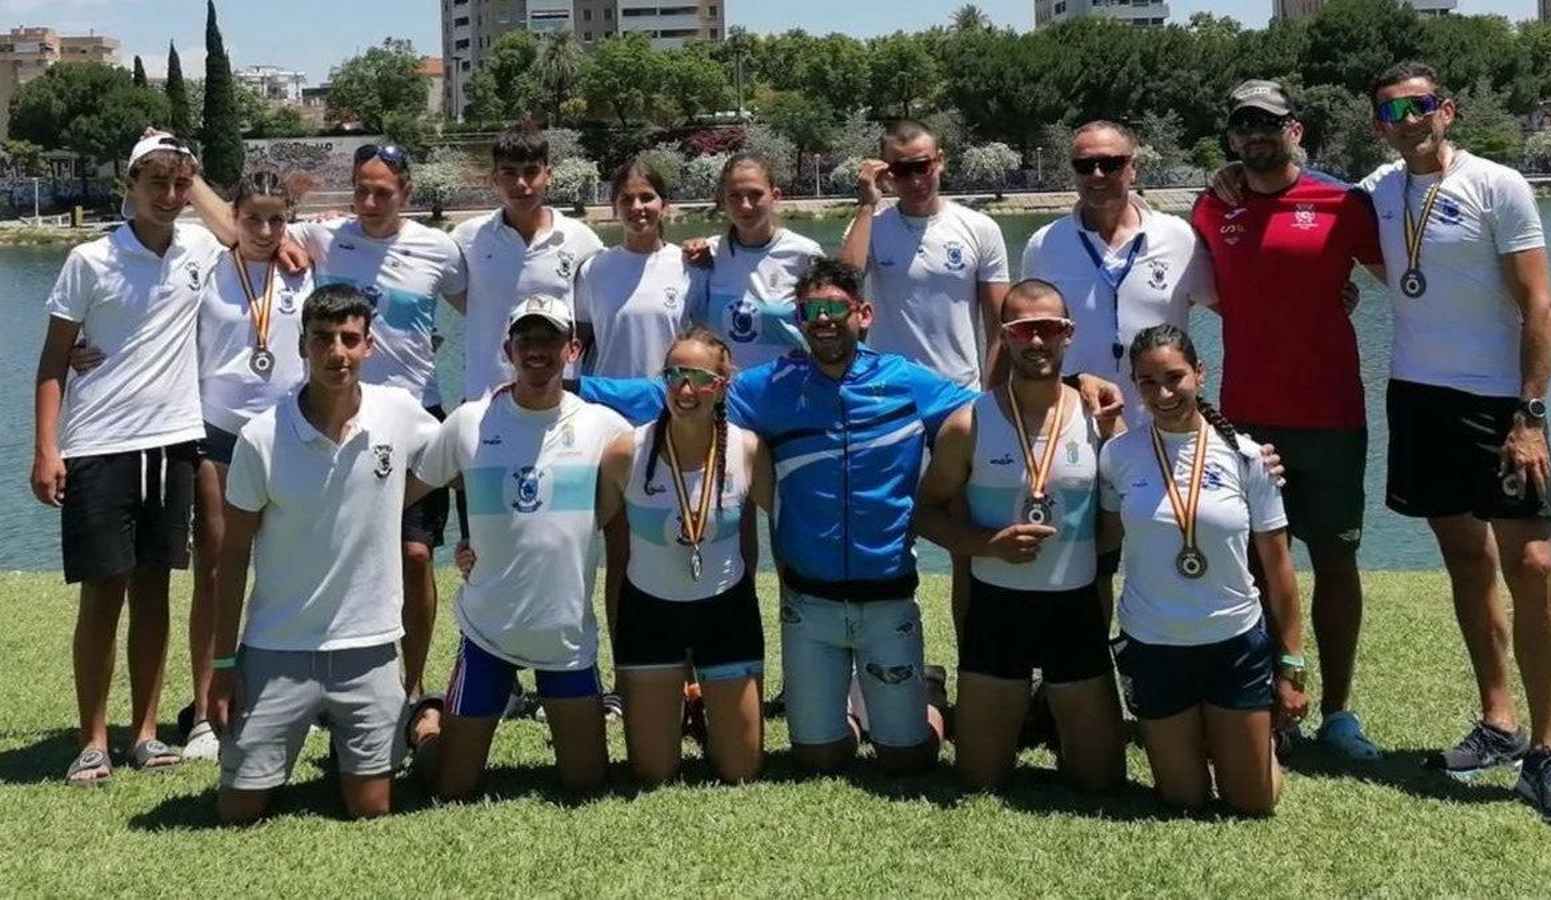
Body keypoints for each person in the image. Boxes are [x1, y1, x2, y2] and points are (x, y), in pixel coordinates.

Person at [576, 258, 1124, 776]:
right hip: (809, 600)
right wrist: (567, 383)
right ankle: (858, 714)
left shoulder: (906, 382)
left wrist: (1077, 382)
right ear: (798, 321)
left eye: (836, 308)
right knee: (818, 758)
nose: (824, 321)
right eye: (811, 311)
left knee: (907, 764)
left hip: (889, 596)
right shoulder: (767, 388)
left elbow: (999, 403)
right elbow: (668, 390)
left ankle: (927, 696)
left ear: (863, 314)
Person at [1363, 62, 1551, 828]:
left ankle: (1547, 752)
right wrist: (1232, 176)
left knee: (1534, 564)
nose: (1407, 120)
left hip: (1501, 405)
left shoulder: (1498, 185)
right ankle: (1499, 721)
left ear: (1447, 111)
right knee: (1465, 557)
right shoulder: (1379, 190)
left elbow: (1542, 305)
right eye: (1390, 111)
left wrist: (1531, 413)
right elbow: (1311, 198)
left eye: (1419, 106)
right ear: (1378, 125)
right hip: (1419, 397)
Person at [1190, 80, 1387, 761]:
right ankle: (1269, 705)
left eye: (1269, 123)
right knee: (1252, 564)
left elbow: (1403, 281)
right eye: (1243, 125)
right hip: (1246, 421)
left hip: (1332, 415)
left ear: (1294, 129)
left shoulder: (1343, 202)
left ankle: (1338, 713)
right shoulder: (1213, 206)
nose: (1255, 135)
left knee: (1335, 560)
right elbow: (1210, 289)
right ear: (1231, 137)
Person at [33, 135, 226, 784]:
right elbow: (52, 362)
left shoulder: (199, 249)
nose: (169, 197)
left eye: (179, 186)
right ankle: (92, 740)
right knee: (103, 593)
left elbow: (235, 230)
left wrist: (189, 166)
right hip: (97, 446)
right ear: (130, 186)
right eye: (156, 184)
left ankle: (144, 734)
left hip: (173, 443)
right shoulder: (89, 260)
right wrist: (47, 450)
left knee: (153, 591)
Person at [207, 284, 440, 824]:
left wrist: (396, 497)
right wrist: (222, 666)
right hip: (277, 650)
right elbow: (233, 555)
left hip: (369, 648)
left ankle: (421, 722)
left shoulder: (399, 413)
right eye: (323, 338)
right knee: (238, 811)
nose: (337, 352)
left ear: (369, 346)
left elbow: (455, 458)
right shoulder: (261, 437)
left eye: (350, 339)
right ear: (302, 346)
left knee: (370, 809)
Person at [409, 295, 630, 798]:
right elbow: (408, 491)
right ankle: (425, 724)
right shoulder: (469, 421)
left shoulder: (604, 427)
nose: (537, 350)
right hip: (487, 632)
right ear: (507, 350)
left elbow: (642, 493)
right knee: (451, 787)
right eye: (525, 339)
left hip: (565, 638)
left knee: (586, 784)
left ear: (572, 349)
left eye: (550, 339)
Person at [916, 280, 1123, 792]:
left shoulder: (1100, 420)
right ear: (1004, 336)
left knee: (1100, 783)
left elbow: (1137, 502)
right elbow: (923, 513)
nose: (1036, 341)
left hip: (1075, 610)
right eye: (1023, 329)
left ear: (1068, 333)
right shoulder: (969, 424)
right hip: (997, 610)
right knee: (980, 779)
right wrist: (987, 545)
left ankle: (1055, 712)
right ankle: (934, 693)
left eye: (1048, 329)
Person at [282, 143, 467, 709]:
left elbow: (483, 307)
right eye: (361, 189)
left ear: (405, 193)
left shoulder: (440, 249)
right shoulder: (326, 236)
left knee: (415, 556)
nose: (368, 201)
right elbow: (244, 231)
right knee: (337, 555)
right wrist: (192, 177)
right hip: (338, 418)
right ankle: (332, 684)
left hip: (417, 420)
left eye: (382, 192)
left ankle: (411, 687)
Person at [1099, 324, 1307, 817]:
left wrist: (1292, 665)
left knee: (1253, 803)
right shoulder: (1118, 455)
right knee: (1183, 799)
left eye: (1175, 378)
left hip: (1233, 643)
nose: (1163, 394)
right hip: (1154, 645)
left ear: (1199, 372)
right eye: (1148, 383)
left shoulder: (1248, 457)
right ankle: (1221, 736)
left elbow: (1279, 569)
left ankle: (1253, 740)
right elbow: (1105, 540)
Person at [173, 172, 314, 762]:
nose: (264, 230)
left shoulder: (304, 265)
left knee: (292, 567)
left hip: (288, 435)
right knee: (215, 567)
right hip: (219, 433)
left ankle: (294, 696)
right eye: (252, 218)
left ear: (289, 220)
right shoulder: (208, 262)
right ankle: (205, 712)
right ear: (232, 217)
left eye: (276, 219)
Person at [598, 327, 767, 785]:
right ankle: (690, 698)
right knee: (654, 773)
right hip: (649, 615)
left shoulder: (748, 450)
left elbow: (793, 524)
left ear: (722, 386)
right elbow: (575, 530)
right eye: (674, 375)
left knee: (740, 770)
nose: (684, 389)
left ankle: (705, 706)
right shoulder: (626, 453)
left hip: (727, 613)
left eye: (699, 378)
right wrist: (481, 550)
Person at [1020, 121, 1215, 425]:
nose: (1097, 174)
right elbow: (1023, 337)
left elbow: (1235, 316)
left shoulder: (1179, 238)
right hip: (1075, 423)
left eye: (1110, 164)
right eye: (1084, 165)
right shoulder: (1044, 244)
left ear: (1133, 167)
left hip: (1160, 422)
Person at [838, 120, 1010, 390]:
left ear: (939, 161)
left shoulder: (981, 228)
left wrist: (991, 398)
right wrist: (866, 205)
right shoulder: (869, 226)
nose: (915, 180)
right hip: (889, 389)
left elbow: (999, 328)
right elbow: (841, 288)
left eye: (922, 167)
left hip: (958, 392)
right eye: (902, 171)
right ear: (886, 172)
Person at [451, 125, 605, 401]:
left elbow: (602, 302)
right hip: (486, 397)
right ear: (493, 180)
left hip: (557, 399)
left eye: (531, 171)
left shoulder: (581, 239)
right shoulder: (467, 238)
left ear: (549, 175)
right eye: (509, 173)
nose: (521, 183)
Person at [575, 159, 705, 378]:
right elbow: (578, 343)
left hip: (669, 395)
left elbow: (704, 341)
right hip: (609, 395)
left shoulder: (689, 266)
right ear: (614, 208)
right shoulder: (593, 270)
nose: (637, 207)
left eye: (646, 197)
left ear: (664, 206)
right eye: (626, 199)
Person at [693, 153, 824, 369]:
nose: (745, 205)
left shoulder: (804, 254)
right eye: (735, 196)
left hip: (787, 384)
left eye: (755, 194)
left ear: (775, 196)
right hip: (727, 387)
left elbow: (829, 325)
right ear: (723, 200)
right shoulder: (708, 254)